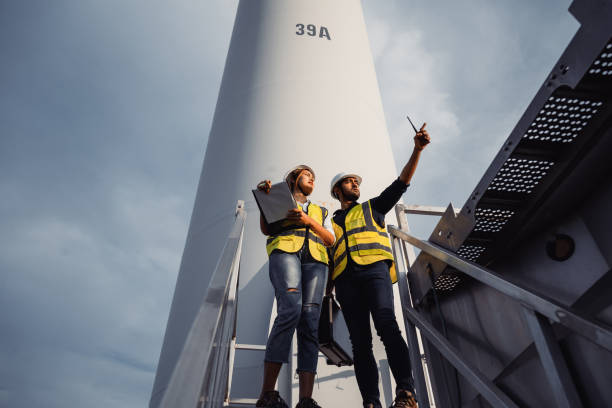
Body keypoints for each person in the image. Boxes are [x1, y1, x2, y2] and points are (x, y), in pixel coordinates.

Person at [329, 125, 431, 408]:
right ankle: (371, 402)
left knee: (387, 326)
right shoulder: (332, 223)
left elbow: (401, 183)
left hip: (374, 272)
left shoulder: (372, 207)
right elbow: (327, 256)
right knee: (359, 344)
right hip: (345, 282)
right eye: (349, 182)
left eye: (356, 181)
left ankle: (405, 393)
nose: (355, 184)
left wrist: (417, 150)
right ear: (338, 190)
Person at [255, 165, 335, 408]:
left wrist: (308, 220)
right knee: (290, 310)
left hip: (316, 261)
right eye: (306, 175)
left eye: (314, 176)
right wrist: (264, 200)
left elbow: (330, 239)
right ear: (293, 180)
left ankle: (306, 400)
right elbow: (267, 229)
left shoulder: (321, 210)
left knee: (310, 322)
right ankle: (268, 394)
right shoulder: (280, 199)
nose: (312, 179)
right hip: (286, 251)